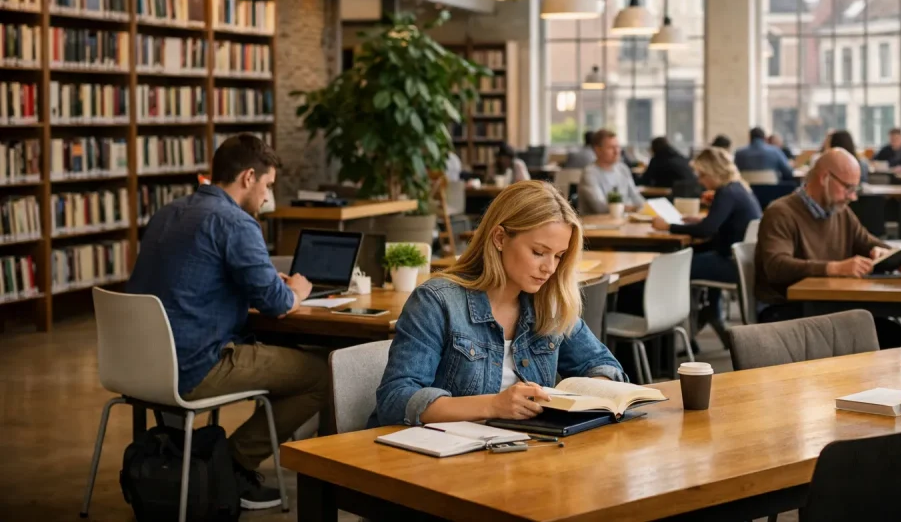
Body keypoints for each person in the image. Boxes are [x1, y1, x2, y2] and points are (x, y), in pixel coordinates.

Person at [126, 134, 327, 510]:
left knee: (284, 361)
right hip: (196, 365)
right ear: (249, 177)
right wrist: (297, 289)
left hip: (138, 365)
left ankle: (215, 464)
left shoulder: (168, 212)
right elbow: (277, 304)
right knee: (323, 374)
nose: (267, 197)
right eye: (267, 185)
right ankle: (231, 465)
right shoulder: (235, 222)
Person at [371, 181, 626, 426]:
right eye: (538, 252)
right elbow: (395, 400)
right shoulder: (437, 301)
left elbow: (603, 365)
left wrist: (595, 389)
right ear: (500, 238)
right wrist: (493, 405)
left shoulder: (548, 304)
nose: (549, 268)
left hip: (523, 452)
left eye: (559, 256)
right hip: (441, 459)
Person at [754, 148, 901, 347]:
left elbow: (868, 242)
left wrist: (890, 256)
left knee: (893, 335)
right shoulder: (781, 212)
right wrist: (834, 268)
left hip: (826, 306)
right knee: (889, 338)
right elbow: (777, 267)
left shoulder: (840, 211)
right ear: (825, 178)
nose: (853, 196)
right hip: (785, 309)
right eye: (848, 188)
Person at [651, 147, 762, 349]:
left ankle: (680, 339)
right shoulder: (739, 188)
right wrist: (701, 219)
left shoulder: (726, 192)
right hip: (743, 262)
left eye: (703, 175)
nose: (700, 181)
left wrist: (668, 226)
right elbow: (715, 224)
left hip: (730, 264)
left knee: (672, 268)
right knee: (697, 256)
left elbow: (706, 230)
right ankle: (711, 315)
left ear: (714, 172)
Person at [577, 129, 645, 215]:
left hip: (623, 221)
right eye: (611, 148)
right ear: (598, 150)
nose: (616, 152)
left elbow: (635, 196)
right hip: (598, 224)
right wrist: (631, 208)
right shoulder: (589, 173)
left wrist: (646, 207)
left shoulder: (623, 169)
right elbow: (600, 207)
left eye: (618, 147)